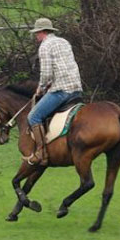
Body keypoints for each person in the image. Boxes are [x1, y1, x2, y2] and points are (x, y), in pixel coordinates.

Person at [26, 18, 83, 165]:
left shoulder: (45, 46)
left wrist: (41, 88)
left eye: (37, 33)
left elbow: (46, 73)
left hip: (61, 90)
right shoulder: (64, 42)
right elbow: (65, 67)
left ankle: (40, 153)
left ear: (42, 32)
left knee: (34, 116)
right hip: (76, 88)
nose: (36, 36)